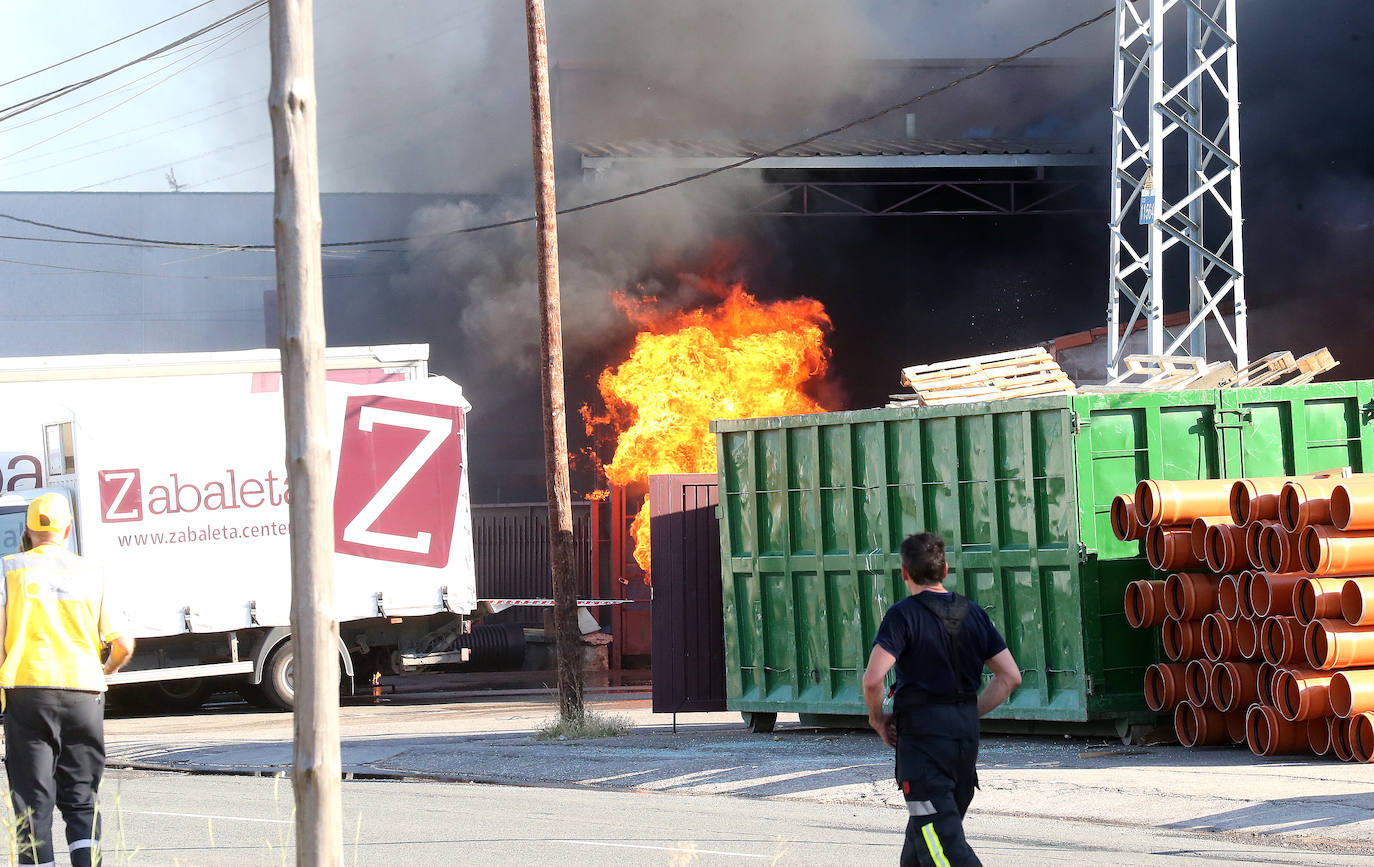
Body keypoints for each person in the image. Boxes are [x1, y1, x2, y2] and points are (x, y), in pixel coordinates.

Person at [862, 532, 1021, 867]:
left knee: (943, 848)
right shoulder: (974, 613)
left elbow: (874, 679)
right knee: (923, 840)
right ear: (945, 569)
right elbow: (1010, 677)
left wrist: (877, 720)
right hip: (963, 742)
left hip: (923, 745)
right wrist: (966, 712)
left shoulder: (903, 615)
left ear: (904, 572)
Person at [0, 492, 134, 867]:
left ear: (27, 530)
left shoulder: (10, 569)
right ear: (67, 529)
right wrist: (106, 669)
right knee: (81, 799)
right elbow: (122, 643)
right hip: (84, 691)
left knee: (31, 802)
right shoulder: (92, 573)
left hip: (27, 690)